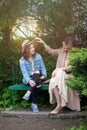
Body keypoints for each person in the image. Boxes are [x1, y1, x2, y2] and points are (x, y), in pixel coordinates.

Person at [35, 36, 81, 114]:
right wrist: (43, 43)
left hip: (70, 77)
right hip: (59, 77)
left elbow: (72, 67)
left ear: (70, 47)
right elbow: (51, 51)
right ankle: (60, 105)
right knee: (54, 80)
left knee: (58, 74)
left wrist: (59, 69)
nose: (63, 47)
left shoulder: (76, 54)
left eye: (65, 46)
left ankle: (60, 105)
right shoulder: (61, 51)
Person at [19, 39, 47, 112]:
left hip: (39, 76)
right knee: (37, 81)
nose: (33, 49)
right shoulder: (22, 60)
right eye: (31, 48)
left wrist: (44, 75)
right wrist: (29, 80)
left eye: (33, 47)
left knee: (37, 73)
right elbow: (24, 73)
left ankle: (28, 92)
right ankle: (34, 104)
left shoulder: (38, 56)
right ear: (26, 50)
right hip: (28, 79)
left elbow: (43, 67)